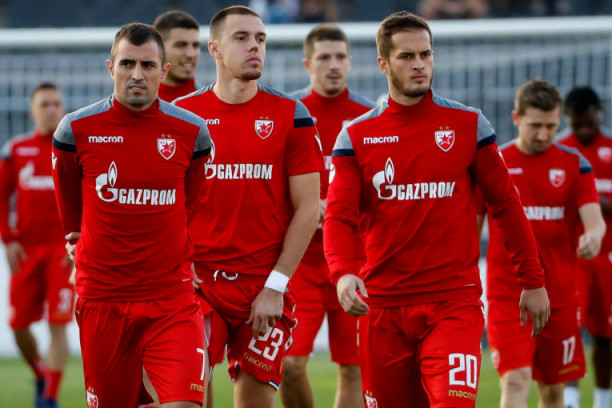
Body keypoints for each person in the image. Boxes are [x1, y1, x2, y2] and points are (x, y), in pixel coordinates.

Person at [323, 11, 551, 407]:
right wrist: (342, 273)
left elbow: (506, 205)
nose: (419, 65)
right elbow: (338, 216)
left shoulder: (468, 125)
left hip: (454, 304)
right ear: (383, 64)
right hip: (384, 307)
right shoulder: (356, 136)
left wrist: (532, 280)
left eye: (425, 54)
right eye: (406, 56)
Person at [52, 22, 211, 408]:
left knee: (186, 403)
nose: (137, 74)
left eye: (147, 65)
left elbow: (190, 205)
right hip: (104, 300)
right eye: (127, 64)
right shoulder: (75, 131)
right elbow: (72, 216)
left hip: (172, 299)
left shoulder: (193, 133)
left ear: (164, 71)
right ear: (111, 68)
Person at [174, 6, 324, 408]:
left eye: (260, 39)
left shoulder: (292, 115)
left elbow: (308, 209)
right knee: (185, 397)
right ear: (214, 49)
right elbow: (166, 203)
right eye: (241, 38)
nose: (254, 46)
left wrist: (275, 287)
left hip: (262, 285)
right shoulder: (183, 117)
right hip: (197, 284)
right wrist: (178, 266)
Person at [481, 79, 606, 408]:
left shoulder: (574, 164)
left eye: (551, 126)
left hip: (560, 298)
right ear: (516, 118)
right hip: (509, 297)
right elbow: (471, 225)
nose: (542, 135)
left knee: (553, 391)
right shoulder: (496, 163)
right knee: (515, 379)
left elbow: (595, 221)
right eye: (535, 125)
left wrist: (593, 238)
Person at [280, 23, 374, 408]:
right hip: (300, 263)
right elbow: (268, 182)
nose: (333, 65)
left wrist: (339, 206)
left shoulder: (370, 118)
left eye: (340, 57)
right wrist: (304, 205)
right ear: (308, 64)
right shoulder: (290, 115)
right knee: (288, 364)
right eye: (324, 58)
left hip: (356, 260)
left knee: (354, 368)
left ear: (350, 62)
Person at [0, 82, 74, 408]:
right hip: (27, 251)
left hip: (62, 252)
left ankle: (49, 397)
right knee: (18, 326)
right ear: (33, 110)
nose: (51, 110)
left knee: (58, 324)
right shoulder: (16, 149)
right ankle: (41, 373)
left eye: (56, 104)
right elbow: (1, 197)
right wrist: (8, 240)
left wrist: (79, 242)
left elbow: (90, 198)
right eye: (44, 104)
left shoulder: (73, 149)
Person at [558, 86, 612, 408]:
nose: (582, 130)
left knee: (605, 335)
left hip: (608, 259)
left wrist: (598, 203)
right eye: (576, 124)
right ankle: (571, 401)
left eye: (588, 123)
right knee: (570, 329)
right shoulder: (561, 150)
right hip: (571, 258)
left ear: (598, 113)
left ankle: (603, 401)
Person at [154, 10, 203, 102]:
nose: (190, 54)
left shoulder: (213, 103)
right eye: (181, 45)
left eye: (195, 45)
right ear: (158, 48)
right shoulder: (136, 103)